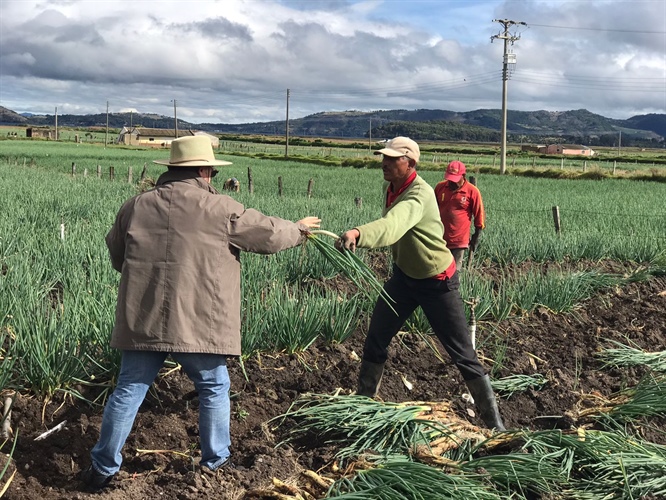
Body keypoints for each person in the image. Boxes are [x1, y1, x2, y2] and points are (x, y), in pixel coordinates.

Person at [81, 135, 320, 490]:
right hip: (198, 320)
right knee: (213, 386)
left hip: (143, 318)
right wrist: (298, 230)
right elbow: (269, 235)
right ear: (205, 170)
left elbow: (118, 255)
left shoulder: (135, 206)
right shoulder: (221, 208)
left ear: (172, 170)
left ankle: (102, 468)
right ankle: (215, 465)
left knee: (129, 388)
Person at [338, 137, 504, 431]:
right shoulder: (392, 188)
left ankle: (495, 426)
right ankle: (363, 406)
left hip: (437, 282)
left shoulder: (419, 194)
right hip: (404, 278)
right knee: (376, 338)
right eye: (383, 158)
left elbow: (392, 226)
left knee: (462, 353)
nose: (384, 163)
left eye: (392, 159)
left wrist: (358, 233)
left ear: (410, 163)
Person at [434, 161, 485, 269]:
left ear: (463, 176)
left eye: (455, 179)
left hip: (459, 240)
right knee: (438, 270)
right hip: (439, 238)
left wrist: (477, 235)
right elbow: (431, 209)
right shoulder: (440, 187)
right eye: (450, 179)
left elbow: (479, 214)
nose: (451, 182)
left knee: (454, 272)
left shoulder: (472, 191)